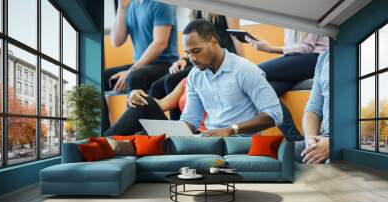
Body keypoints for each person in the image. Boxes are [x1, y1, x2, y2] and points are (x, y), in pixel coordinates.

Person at [106, 19, 283, 137]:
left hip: (238, 141)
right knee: (143, 104)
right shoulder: (195, 76)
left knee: (143, 138)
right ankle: (104, 143)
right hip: (206, 140)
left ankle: (101, 145)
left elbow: (275, 114)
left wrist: (230, 130)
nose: (192, 59)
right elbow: (190, 121)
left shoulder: (245, 70)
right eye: (188, 53)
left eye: (196, 51)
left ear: (213, 42)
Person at [148, 10, 245, 120]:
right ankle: (158, 132)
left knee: (172, 81)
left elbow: (236, 38)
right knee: (156, 87)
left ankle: (178, 130)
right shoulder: (195, 9)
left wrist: (241, 65)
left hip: (218, 59)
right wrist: (184, 59)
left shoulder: (225, 6)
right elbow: (192, 43)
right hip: (200, 57)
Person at [103, 0, 179, 130]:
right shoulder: (131, 6)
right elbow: (116, 40)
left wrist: (131, 70)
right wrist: (121, 7)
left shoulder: (162, 3)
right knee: (100, 77)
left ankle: (132, 132)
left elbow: (160, 43)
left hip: (166, 65)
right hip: (141, 65)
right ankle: (103, 130)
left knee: (134, 77)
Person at [244, 31, 329, 141]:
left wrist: (270, 48)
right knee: (266, 92)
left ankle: (293, 138)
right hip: (297, 62)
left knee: (252, 73)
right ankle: (294, 138)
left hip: (315, 59)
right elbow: (292, 51)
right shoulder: (287, 22)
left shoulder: (306, 16)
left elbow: (307, 48)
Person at [295, 50, 330, 164]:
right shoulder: (325, 57)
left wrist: (335, 143)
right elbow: (313, 108)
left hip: (352, 144)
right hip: (322, 138)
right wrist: (310, 141)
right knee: (280, 153)